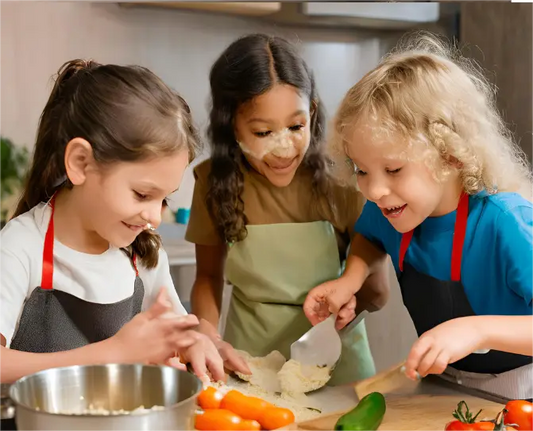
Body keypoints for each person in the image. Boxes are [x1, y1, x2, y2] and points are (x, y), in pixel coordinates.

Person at [304, 32, 533, 400]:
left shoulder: (504, 221)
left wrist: (478, 331)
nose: (374, 190)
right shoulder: (392, 210)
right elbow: (369, 236)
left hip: (521, 392)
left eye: (393, 170)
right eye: (361, 170)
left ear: (450, 156)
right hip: (444, 385)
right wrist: (351, 278)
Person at [0, 59, 226, 384]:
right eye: (142, 194)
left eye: (164, 199)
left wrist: (196, 342)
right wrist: (111, 355)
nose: (154, 217)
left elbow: (177, 333)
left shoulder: (143, 253)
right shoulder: (20, 247)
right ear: (81, 163)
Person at [185, 33, 390, 385]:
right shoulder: (213, 181)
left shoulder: (343, 179)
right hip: (248, 365)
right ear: (230, 124)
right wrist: (208, 335)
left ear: (311, 112)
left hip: (338, 368)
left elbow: (377, 291)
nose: (284, 149)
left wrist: (348, 304)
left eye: (296, 127)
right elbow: (207, 277)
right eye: (263, 132)